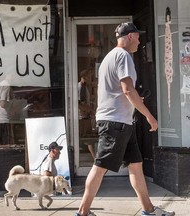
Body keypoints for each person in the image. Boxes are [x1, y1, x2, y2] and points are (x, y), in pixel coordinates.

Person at [75, 22, 175, 216]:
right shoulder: (123, 56)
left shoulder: (109, 57)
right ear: (130, 36)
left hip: (121, 122)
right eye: (138, 37)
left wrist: (136, 101)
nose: (139, 41)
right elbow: (128, 90)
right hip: (116, 123)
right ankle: (82, 212)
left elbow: (120, 91)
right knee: (100, 167)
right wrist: (149, 116)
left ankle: (149, 211)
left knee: (136, 166)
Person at [78, 70, 95, 159]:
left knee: (88, 138)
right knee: (83, 137)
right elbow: (80, 103)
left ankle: (94, 157)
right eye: (87, 77)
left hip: (86, 116)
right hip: (82, 116)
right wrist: (89, 110)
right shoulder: (80, 87)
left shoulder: (85, 87)